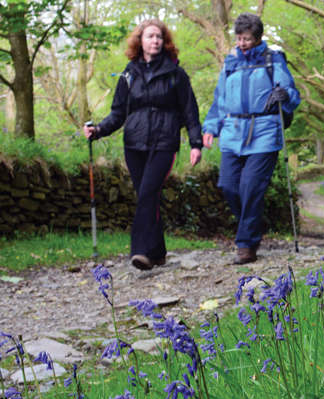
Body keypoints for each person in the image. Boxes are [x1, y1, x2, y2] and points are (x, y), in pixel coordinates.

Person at [83, 19, 203, 271]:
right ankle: (158, 251)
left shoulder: (176, 74)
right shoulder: (128, 75)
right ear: (140, 41)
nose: (155, 41)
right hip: (134, 144)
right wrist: (99, 130)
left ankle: (140, 251)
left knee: (148, 193)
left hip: (165, 142)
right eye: (150, 36)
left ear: (164, 41)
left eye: (159, 37)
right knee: (147, 196)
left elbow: (190, 111)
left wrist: (195, 143)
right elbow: (117, 114)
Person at [202, 13, 301, 264]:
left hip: (265, 131)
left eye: (246, 39)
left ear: (257, 38)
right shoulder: (230, 62)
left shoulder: (272, 59)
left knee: (250, 187)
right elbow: (220, 99)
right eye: (238, 38)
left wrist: (284, 95)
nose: (242, 43)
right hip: (233, 130)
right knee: (228, 184)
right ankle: (253, 224)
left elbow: (291, 93)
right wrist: (211, 127)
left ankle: (246, 245)